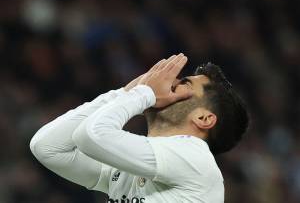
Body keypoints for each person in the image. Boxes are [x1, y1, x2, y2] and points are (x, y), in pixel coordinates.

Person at [30, 53, 249, 203]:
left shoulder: (195, 157)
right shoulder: (137, 163)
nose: (170, 84)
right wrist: (126, 92)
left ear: (203, 118)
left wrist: (143, 94)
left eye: (184, 84)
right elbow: (47, 147)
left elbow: (90, 136)